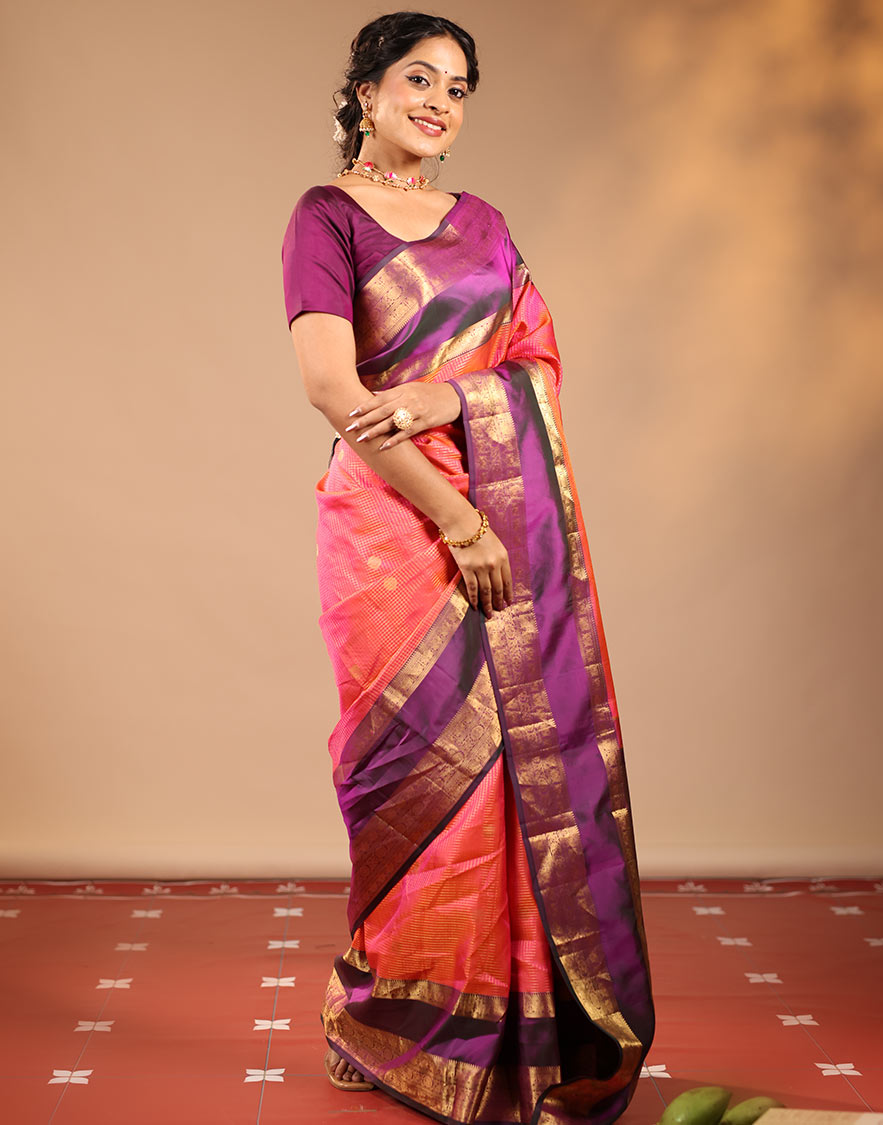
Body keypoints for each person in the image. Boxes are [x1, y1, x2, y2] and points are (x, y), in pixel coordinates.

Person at [281, 12, 655, 1124]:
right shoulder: (326, 218)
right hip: (398, 521)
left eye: (458, 86)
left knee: (514, 775)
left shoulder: (484, 223)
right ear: (365, 88)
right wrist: (456, 519)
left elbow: (531, 360)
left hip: (503, 502)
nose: (439, 101)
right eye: (417, 77)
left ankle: (522, 1030)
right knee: (415, 773)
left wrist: (453, 398)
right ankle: (403, 1019)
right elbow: (334, 391)